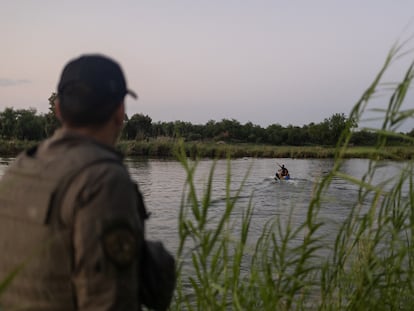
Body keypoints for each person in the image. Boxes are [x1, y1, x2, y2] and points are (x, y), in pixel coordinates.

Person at [0, 54, 175, 310]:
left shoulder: (20, 166)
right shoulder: (104, 180)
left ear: (58, 110)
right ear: (119, 113)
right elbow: (109, 302)